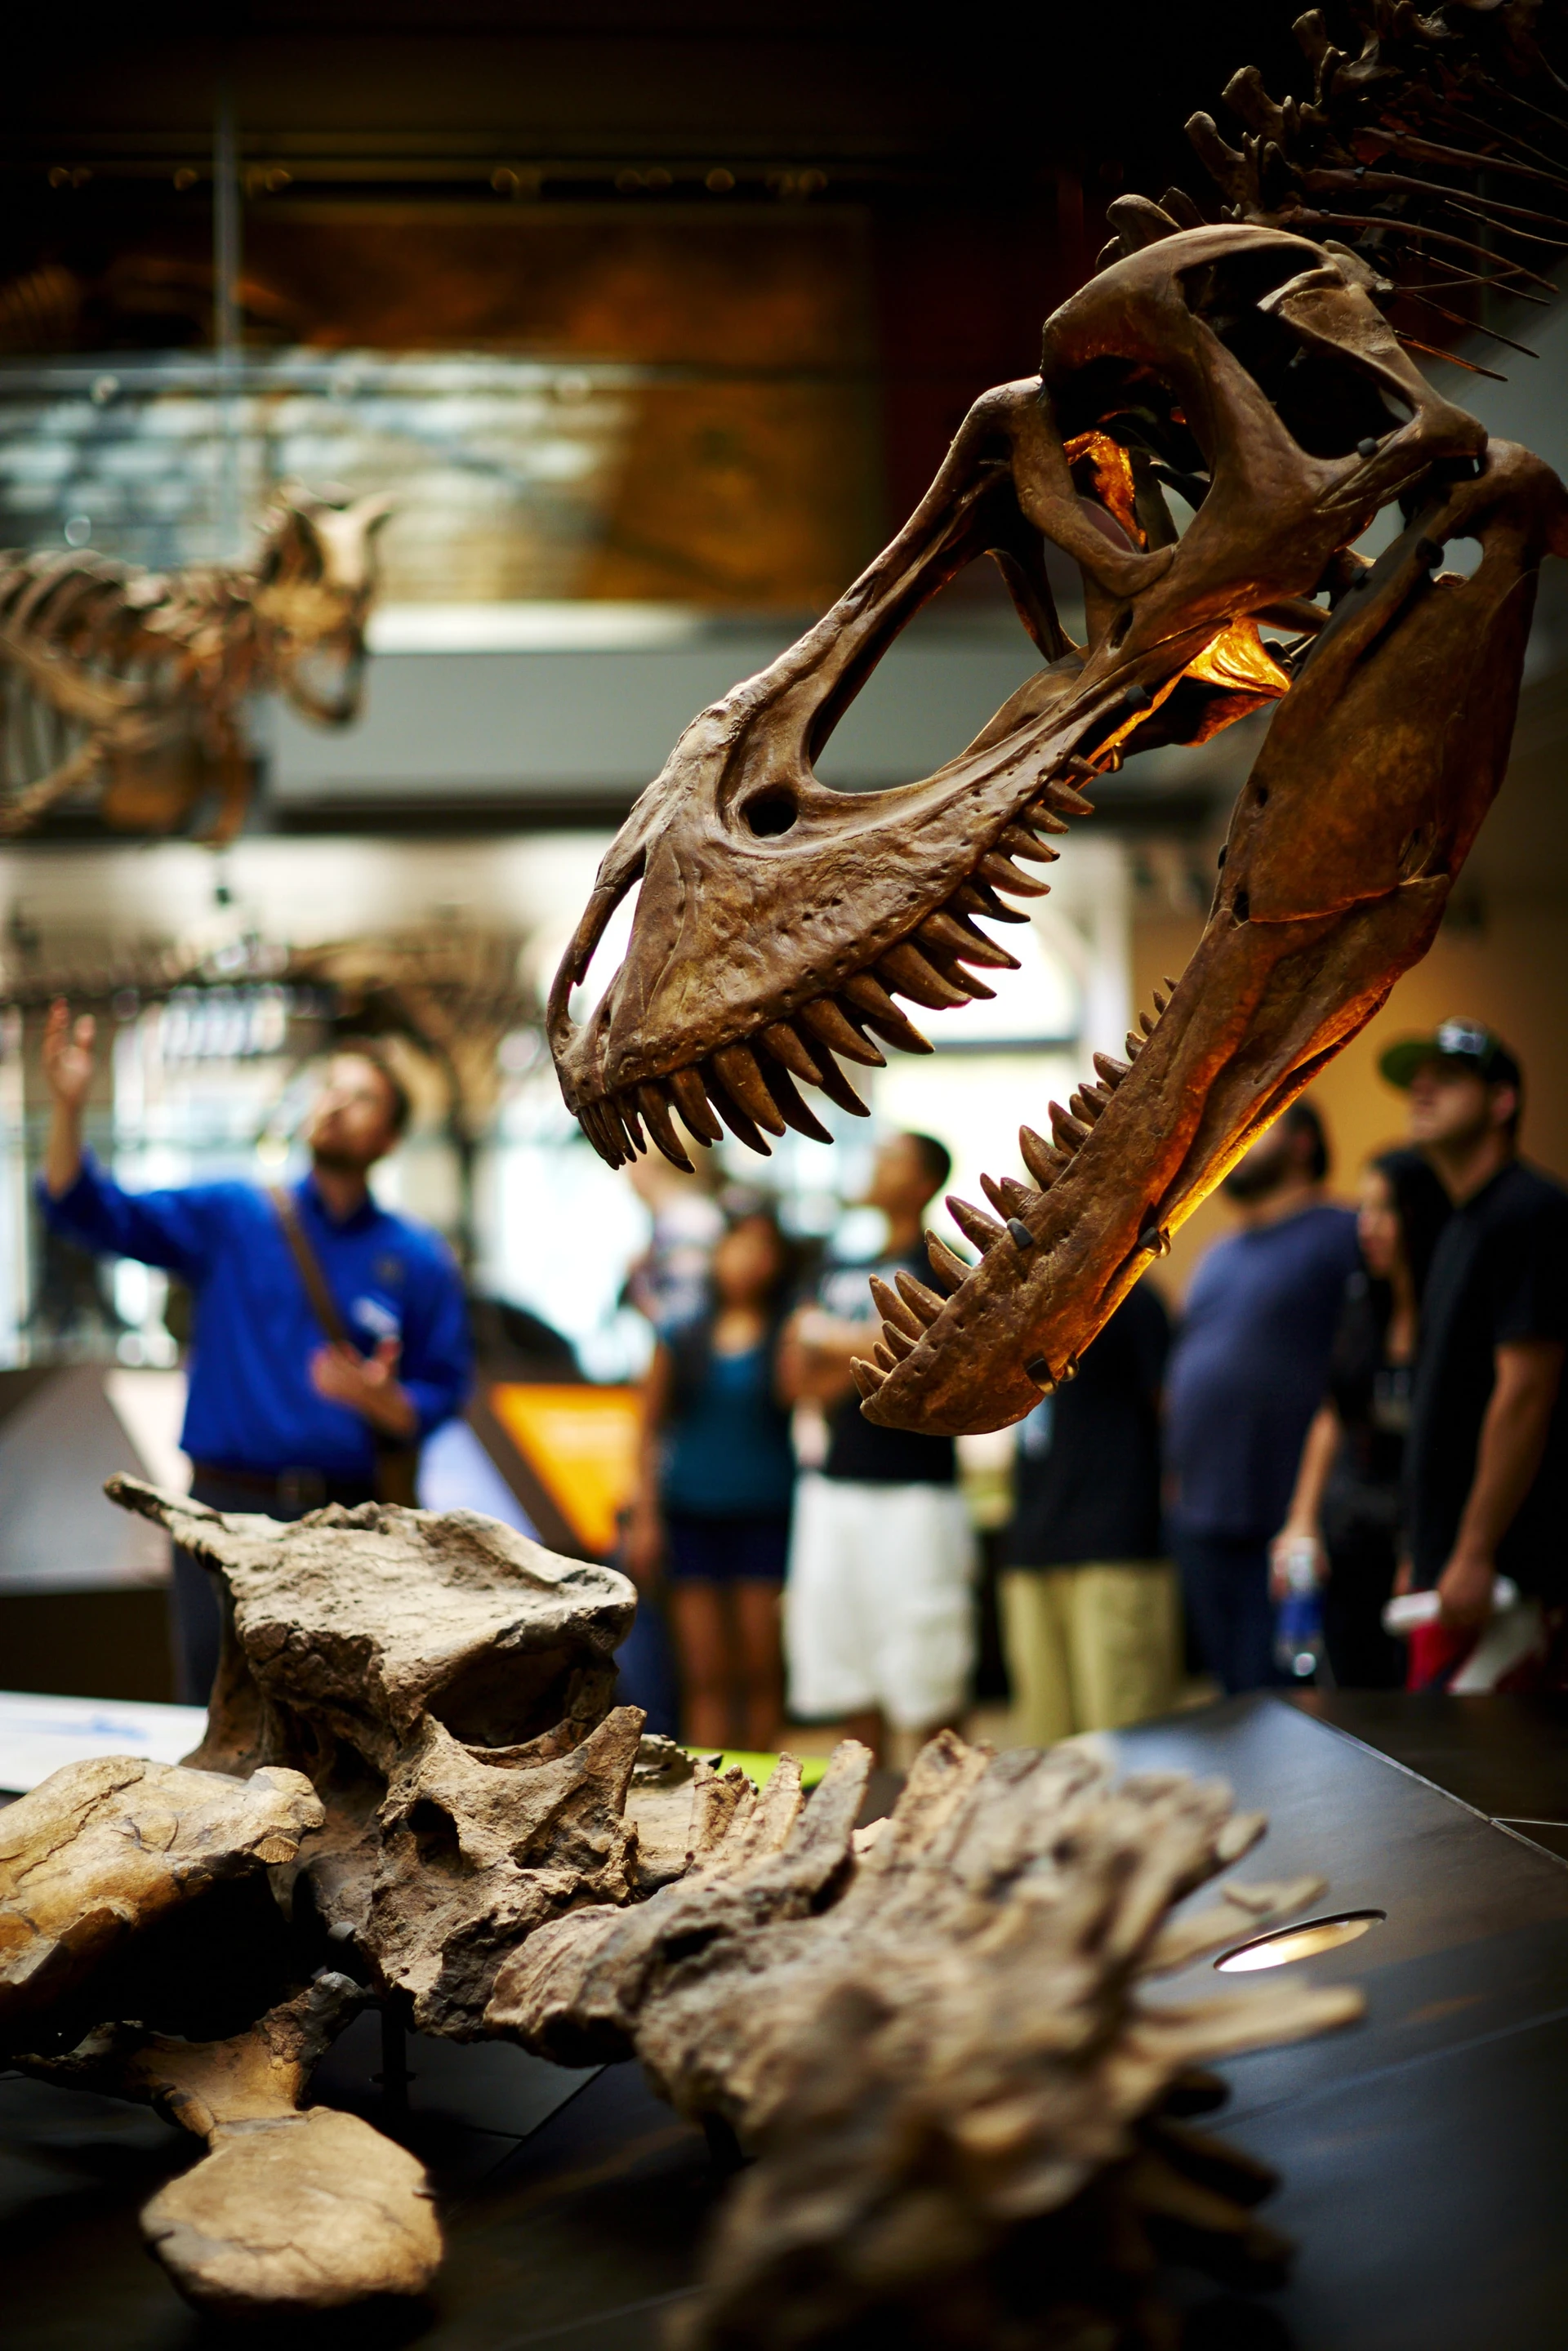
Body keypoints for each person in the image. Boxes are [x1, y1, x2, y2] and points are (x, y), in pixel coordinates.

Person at [38, 1000, 472, 1702]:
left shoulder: (417, 1258)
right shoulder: (234, 1215)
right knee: (212, 1714)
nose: (336, 1104)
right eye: (330, 1086)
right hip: (223, 1511)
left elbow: (445, 1388)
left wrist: (383, 1400)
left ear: (390, 1138)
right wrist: (67, 1108)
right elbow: (87, 1208)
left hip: (343, 1521)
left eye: (361, 1097)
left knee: (332, 1720)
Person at [1380, 1021, 1568, 1684]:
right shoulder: (1460, 1223)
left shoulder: (1531, 1210)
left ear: (1502, 1101)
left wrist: (1475, 1549)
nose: (1422, 1090)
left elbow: (1526, 1392)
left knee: (1488, 1748)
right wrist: (1423, 1548)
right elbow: (1448, 1400)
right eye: (1417, 1080)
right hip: (1452, 1570)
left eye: (1449, 1077)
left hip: (1506, 1580)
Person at [779, 1131, 975, 1765]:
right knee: (847, 1663)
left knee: (928, 1665)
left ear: (923, 1183)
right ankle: (866, 1807)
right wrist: (867, 1348)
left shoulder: (941, 1265)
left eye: (890, 1158)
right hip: (834, 1489)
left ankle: (945, 1806)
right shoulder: (836, 1265)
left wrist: (835, 1344)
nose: (873, 1164)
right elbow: (794, 1376)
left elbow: (928, 1353)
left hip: (914, 1491)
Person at [1164, 1099, 1360, 1695]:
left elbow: (1361, 1370)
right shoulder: (1219, 1253)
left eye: (1259, 1128)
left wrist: (1309, 1512)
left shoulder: (1342, 1232)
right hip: (1204, 1517)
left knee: (1287, 1706)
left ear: (1303, 1143)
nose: (1237, 1143)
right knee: (1231, 1703)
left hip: (1285, 1519)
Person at [1271, 1148, 1450, 1688]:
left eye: (1384, 1210)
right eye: (1363, 1209)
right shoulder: (1364, 1302)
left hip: (1423, 1537)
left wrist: (1421, 1549)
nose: (1368, 1226)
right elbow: (1334, 1414)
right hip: (1354, 1530)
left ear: (1418, 1214)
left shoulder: (1448, 1308)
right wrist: (1301, 1520)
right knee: (1346, 1685)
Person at [625, 1204, 798, 1752]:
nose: (749, 1260)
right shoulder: (681, 1333)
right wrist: (645, 1518)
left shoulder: (787, 1333)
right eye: (739, 1244)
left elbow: (804, 1395)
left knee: (760, 1667)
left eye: (764, 1249)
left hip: (764, 1511)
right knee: (704, 1673)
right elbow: (647, 1429)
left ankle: (763, 1783)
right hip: (690, 1512)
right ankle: (707, 1785)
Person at [1000, 1279, 1177, 1743]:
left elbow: (1172, 1408)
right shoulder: (1015, 1305)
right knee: (1047, 1755)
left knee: (1128, 1746)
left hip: (1113, 1544)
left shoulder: (1127, 1291)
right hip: (1032, 1547)